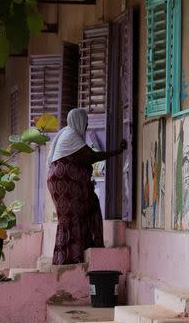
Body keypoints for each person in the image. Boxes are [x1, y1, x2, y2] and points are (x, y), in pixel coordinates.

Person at [46, 108, 127, 264]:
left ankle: (73, 253)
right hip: (64, 182)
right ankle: (73, 255)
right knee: (76, 214)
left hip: (60, 181)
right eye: (86, 121)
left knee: (80, 212)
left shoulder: (66, 133)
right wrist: (117, 152)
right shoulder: (71, 135)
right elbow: (91, 156)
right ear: (78, 121)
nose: (87, 124)